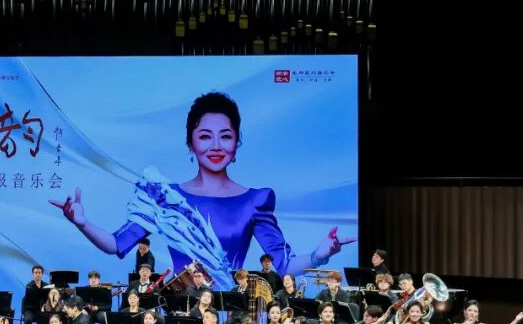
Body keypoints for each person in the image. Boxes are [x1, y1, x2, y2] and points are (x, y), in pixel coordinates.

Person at [50, 91, 353, 288]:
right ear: (190, 143)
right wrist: (82, 223)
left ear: (237, 143)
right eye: (206, 136)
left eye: (226, 136)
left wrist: (319, 255)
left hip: (229, 311)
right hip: (182, 311)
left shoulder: (254, 200)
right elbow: (116, 244)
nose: (216, 146)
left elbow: (284, 264)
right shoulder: (165, 198)